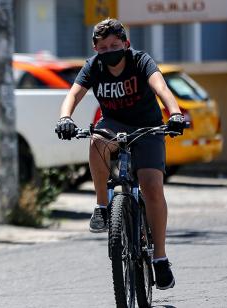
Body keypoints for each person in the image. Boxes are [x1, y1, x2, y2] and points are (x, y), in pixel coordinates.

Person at [55, 18, 186, 290]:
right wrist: (65, 117)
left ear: (126, 44)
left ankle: (160, 257)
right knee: (95, 142)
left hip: (148, 126)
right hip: (113, 124)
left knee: (151, 187)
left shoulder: (140, 61)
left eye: (115, 45)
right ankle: (103, 206)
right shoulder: (94, 66)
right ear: (95, 49)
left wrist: (174, 113)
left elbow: (161, 88)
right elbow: (73, 95)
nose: (109, 51)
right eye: (102, 48)